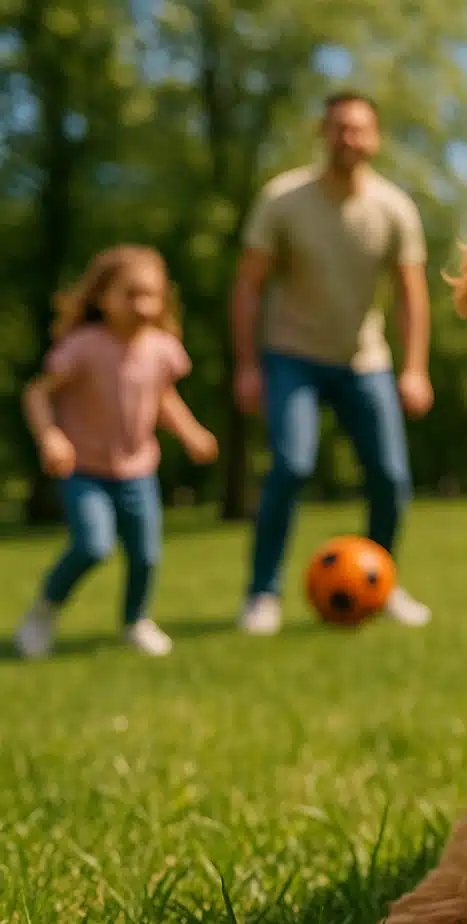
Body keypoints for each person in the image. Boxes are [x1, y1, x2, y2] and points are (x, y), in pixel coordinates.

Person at [232, 90, 434, 635]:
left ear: (375, 138)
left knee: (390, 477)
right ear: (323, 133)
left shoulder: (394, 208)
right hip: (291, 354)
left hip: (364, 359)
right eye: (339, 128)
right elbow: (248, 286)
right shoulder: (283, 199)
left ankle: (380, 581)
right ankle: (262, 594)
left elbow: (412, 296)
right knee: (291, 466)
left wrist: (414, 370)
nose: (349, 137)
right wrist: (247, 366)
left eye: (359, 128)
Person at [12, 246, 219, 659]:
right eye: (132, 294)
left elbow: (163, 397)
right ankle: (42, 613)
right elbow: (37, 392)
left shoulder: (162, 348)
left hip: (138, 469)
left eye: (152, 295)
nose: (143, 305)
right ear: (102, 297)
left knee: (146, 554)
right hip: (84, 470)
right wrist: (50, 436)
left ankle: (136, 621)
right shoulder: (83, 347)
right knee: (93, 545)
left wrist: (191, 431)